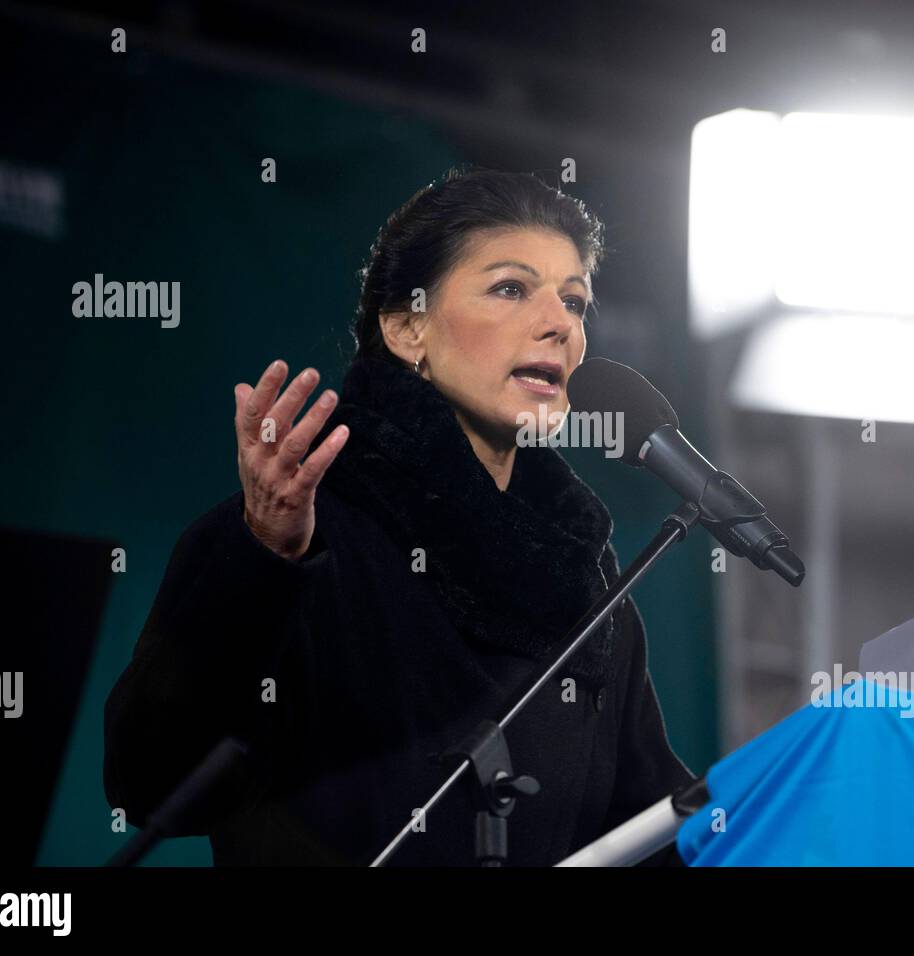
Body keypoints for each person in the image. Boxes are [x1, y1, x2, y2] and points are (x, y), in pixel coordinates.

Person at [103, 167, 698, 866]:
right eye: (512, 288)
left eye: (575, 302)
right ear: (407, 328)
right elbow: (150, 783)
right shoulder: (294, 537)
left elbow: (653, 833)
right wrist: (263, 557)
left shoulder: (591, 592)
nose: (558, 323)